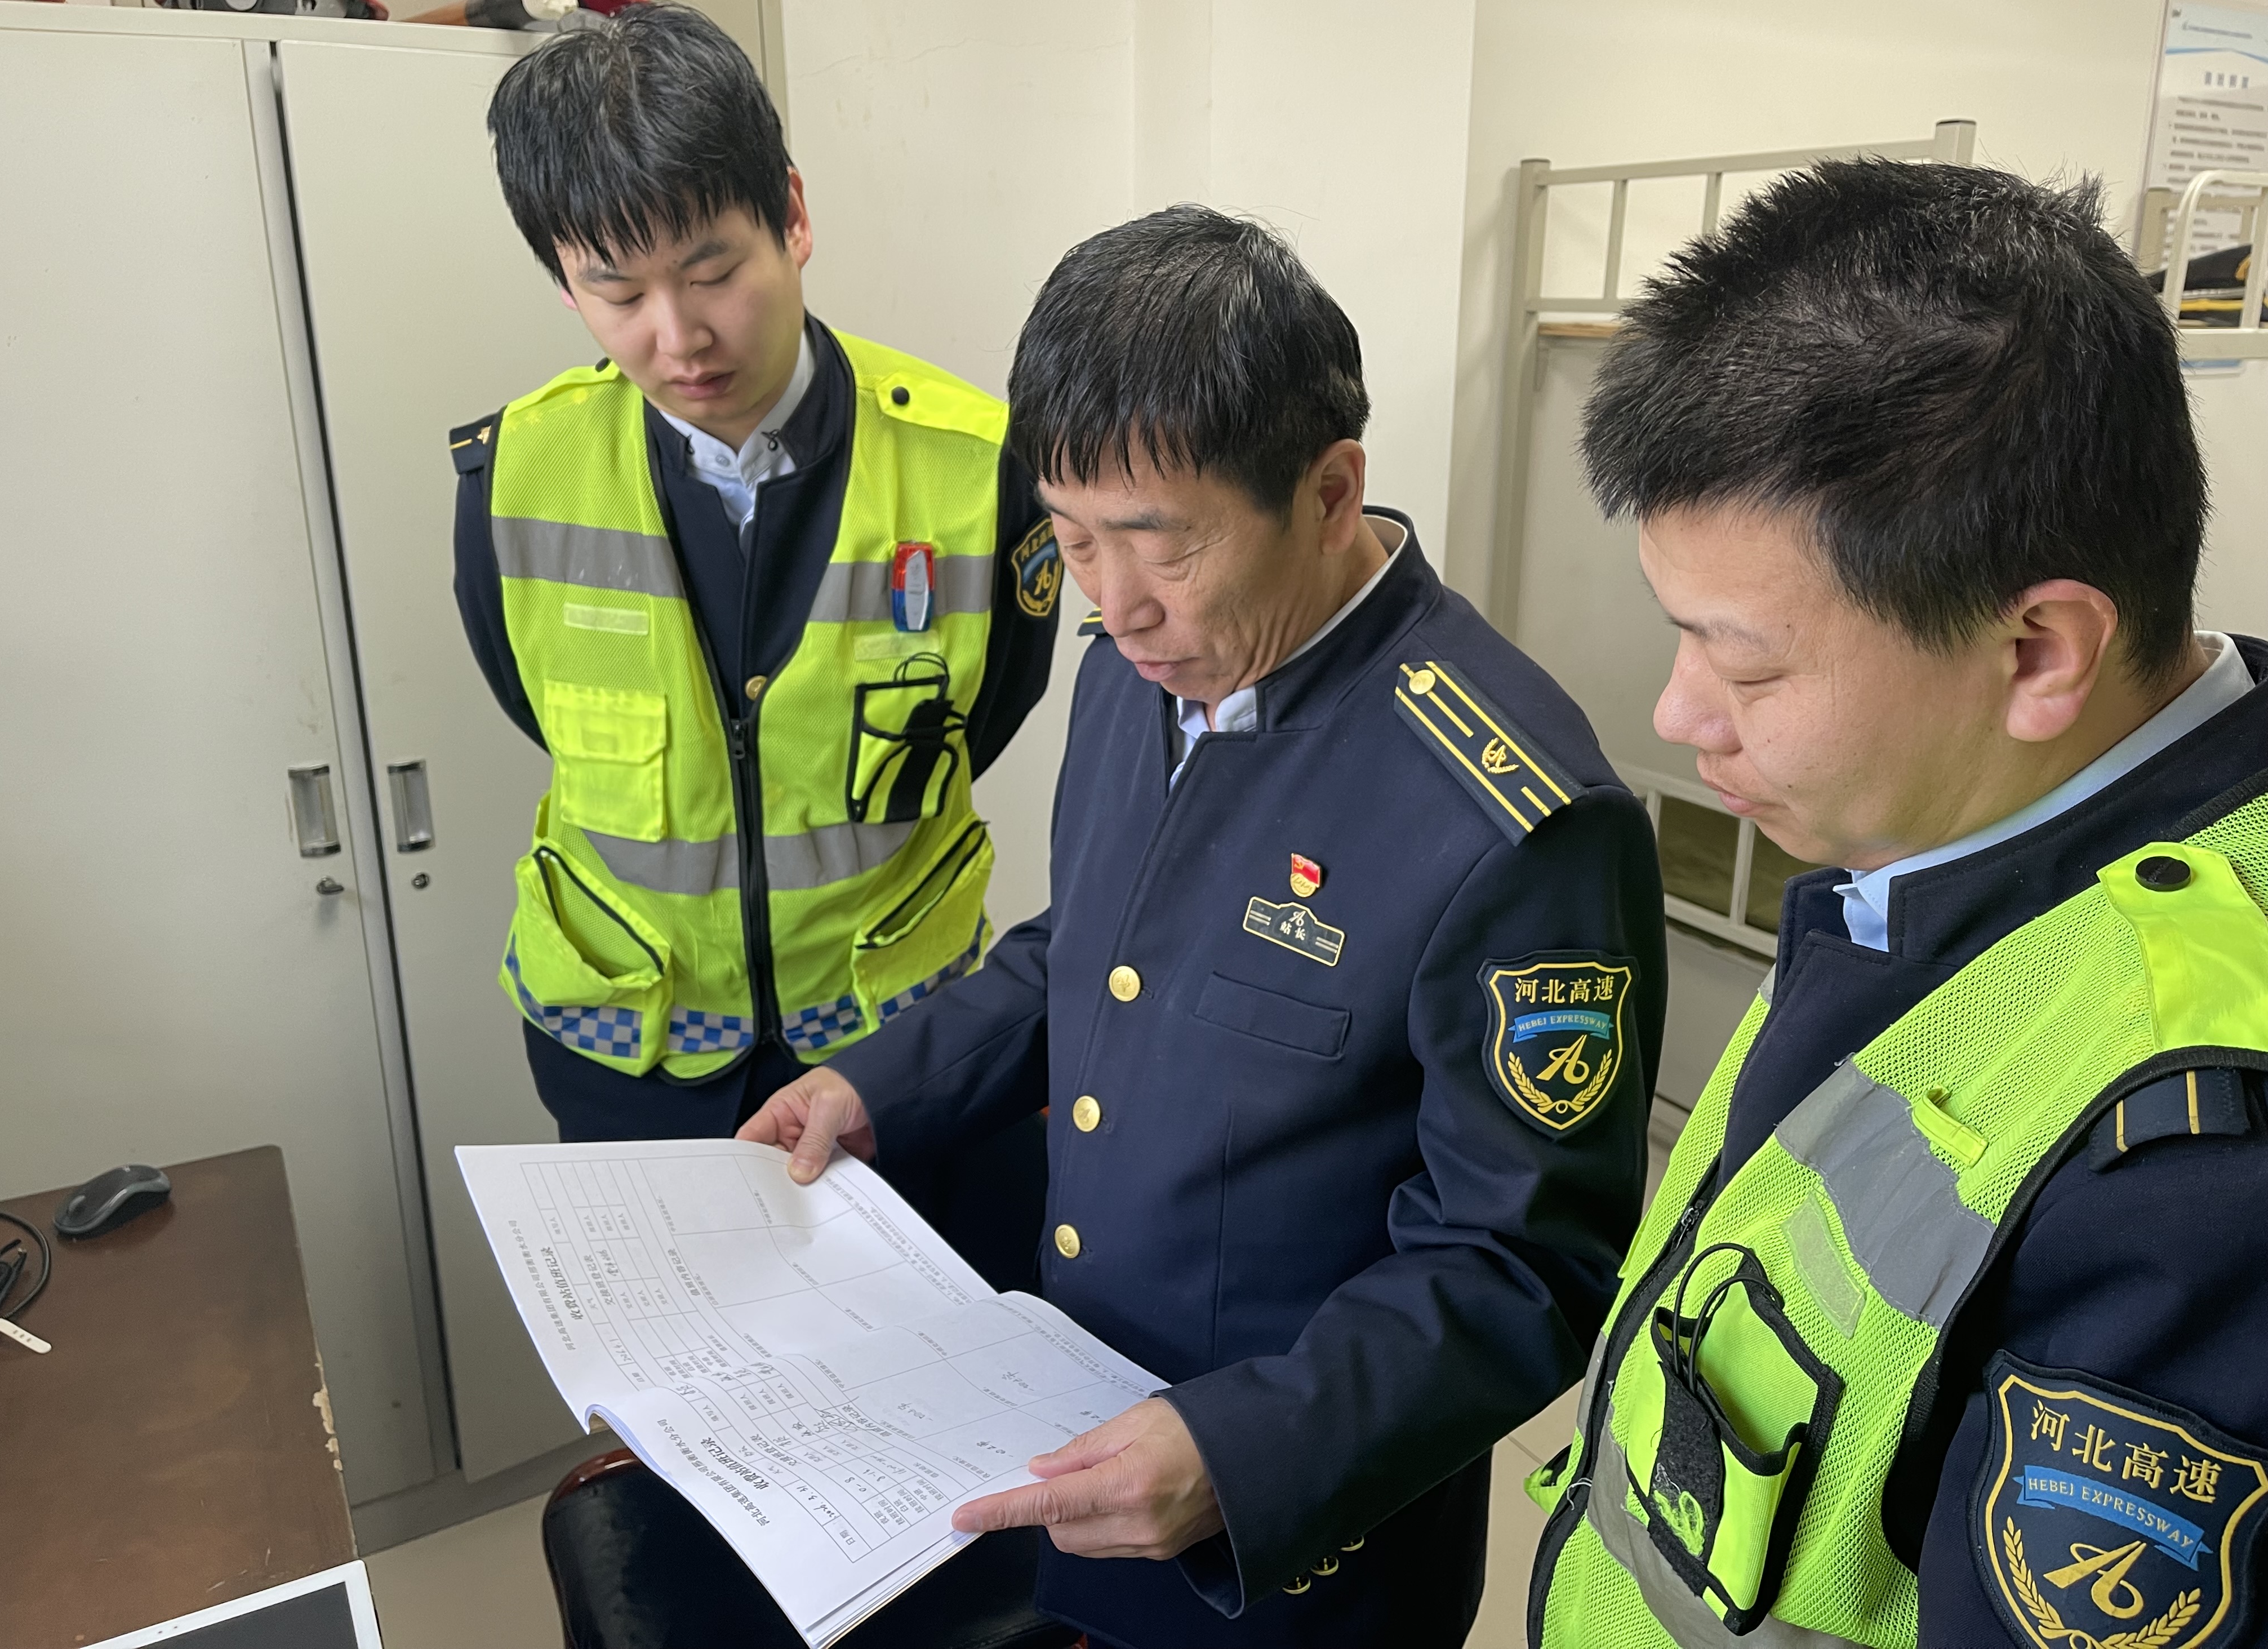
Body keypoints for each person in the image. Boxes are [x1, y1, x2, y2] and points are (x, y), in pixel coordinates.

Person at [733, 205, 1669, 1649]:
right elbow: (1096, 948)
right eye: (1071, 541)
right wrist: (882, 1085)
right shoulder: (1141, 668)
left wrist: (1248, 1453)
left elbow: (1522, 1262)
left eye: (1156, 544)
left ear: (1330, 490)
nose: (1113, 606)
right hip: (1076, 1424)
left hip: (1298, 1535)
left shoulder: (1512, 813)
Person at [1526, 160, 2268, 1648]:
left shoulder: (2193, 1161)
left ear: (2038, 651)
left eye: (1745, 665)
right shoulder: (1944, 832)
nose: (1680, 713)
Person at [448, 3, 1062, 1257]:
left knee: (925, 1359)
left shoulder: (977, 468)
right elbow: (529, 702)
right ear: (564, 277)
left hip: (897, 1049)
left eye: (712, 270)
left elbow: (992, 708)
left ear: (792, 214)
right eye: (616, 290)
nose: (677, 338)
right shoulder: (513, 475)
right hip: (630, 1058)